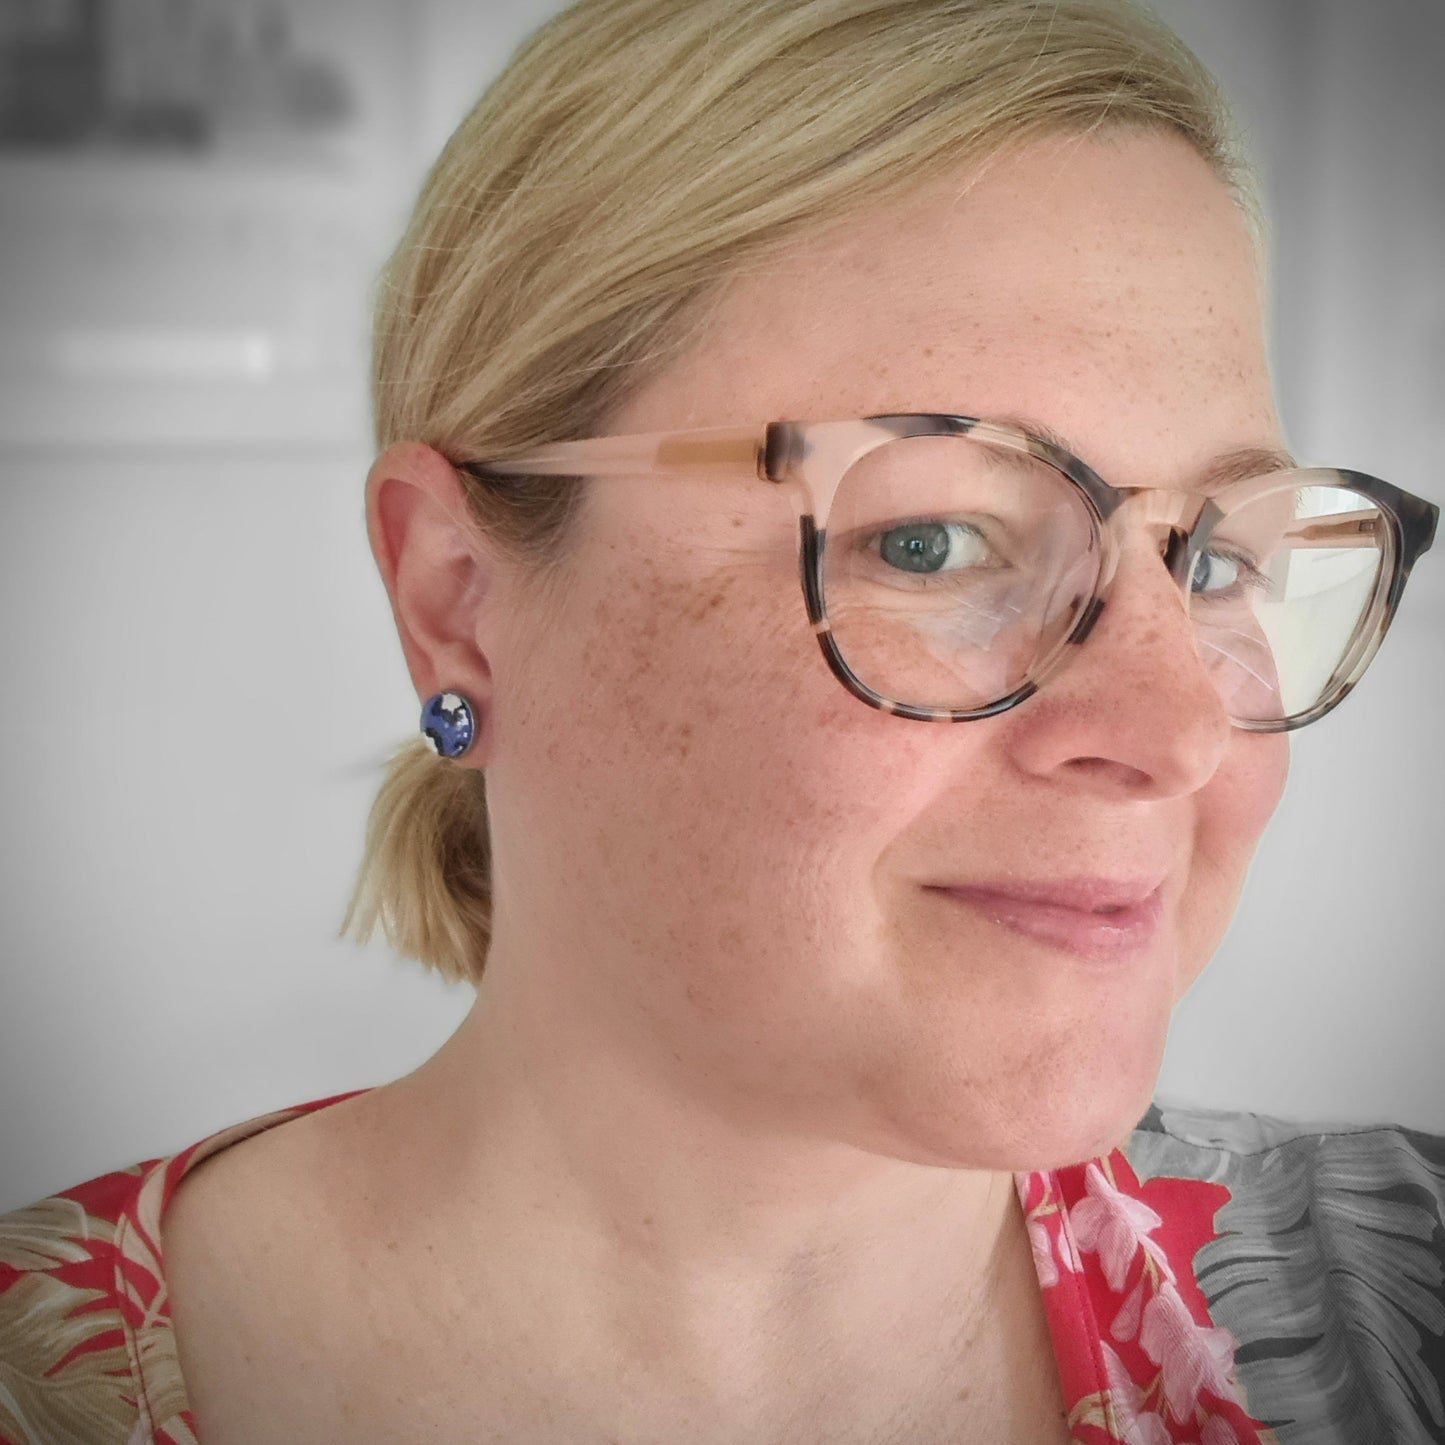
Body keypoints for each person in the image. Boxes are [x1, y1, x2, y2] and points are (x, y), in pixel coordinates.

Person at [2, 1, 1441, 1442]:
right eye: (932, 542)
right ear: (457, 602)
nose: (1175, 729)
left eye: (1216, 559)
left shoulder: (1400, 1312)